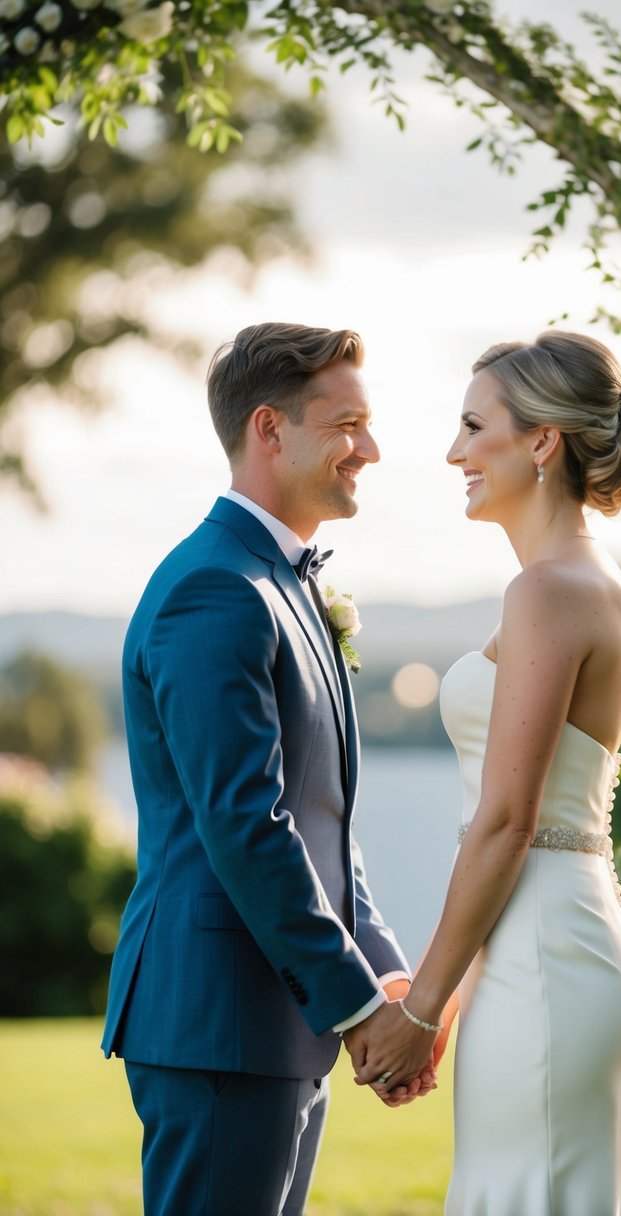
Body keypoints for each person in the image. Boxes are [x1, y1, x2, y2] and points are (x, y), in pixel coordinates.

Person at [350, 330, 621, 1214]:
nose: (453, 452)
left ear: (541, 440)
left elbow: (509, 821)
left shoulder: (550, 592)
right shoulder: (580, 581)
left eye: (474, 427)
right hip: (538, 948)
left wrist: (422, 1008)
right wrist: (457, 987)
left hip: (545, 959)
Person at [101, 321, 432, 1216]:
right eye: (346, 424)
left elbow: (321, 812)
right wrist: (358, 1010)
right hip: (219, 1022)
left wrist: (384, 973)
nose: (369, 449)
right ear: (269, 429)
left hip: (277, 1026)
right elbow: (247, 826)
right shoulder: (216, 589)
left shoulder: (283, 582)